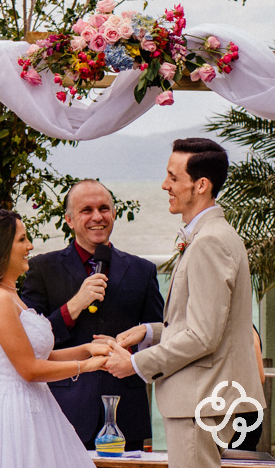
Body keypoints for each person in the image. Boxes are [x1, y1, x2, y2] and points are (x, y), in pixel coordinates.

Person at [104, 138, 265, 467]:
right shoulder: (214, 236)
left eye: (173, 178)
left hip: (200, 400)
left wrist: (135, 364)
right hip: (205, 399)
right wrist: (147, 332)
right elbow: (204, 324)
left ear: (201, 185)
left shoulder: (209, 242)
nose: (165, 185)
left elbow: (203, 336)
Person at [0, 209, 110, 467]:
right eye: (22, 240)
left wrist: (87, 349)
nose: (30, 246)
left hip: (34, 406)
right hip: (14, 413)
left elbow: (40, 356)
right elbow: (29, 369)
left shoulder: (12, 296)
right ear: (1, 249)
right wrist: (86, 367)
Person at [21, 179, 164, 449]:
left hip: (126, 410)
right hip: (63, 408)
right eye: (86, 210)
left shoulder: (142, 270)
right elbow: (29, 342)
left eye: (104, 208)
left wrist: (130, 350)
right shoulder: (42, 268)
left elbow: (160, 334)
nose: (97, 217)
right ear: (70, 220)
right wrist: (74, 305)